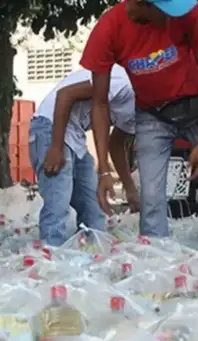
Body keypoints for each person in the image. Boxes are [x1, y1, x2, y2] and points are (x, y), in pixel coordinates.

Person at [79, 0, 198, 239]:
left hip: (197, 105)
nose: (173, 18)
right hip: (152, 115)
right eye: (167, 12)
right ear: (143, 5)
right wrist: (104, 171)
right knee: (151, 200)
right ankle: (155, 257)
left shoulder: (191, 12)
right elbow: (99, 102)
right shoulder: (109, 29)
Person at [30, 66, 138, 246]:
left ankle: (91, 252)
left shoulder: (142, 112)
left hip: (76, 135)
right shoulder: (122, 83)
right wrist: (56, 147)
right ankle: (51, 254)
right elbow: (65, 95)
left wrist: (130, 189)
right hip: (51, 126)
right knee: (58, 205)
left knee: (94, 208)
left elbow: (116, 144)